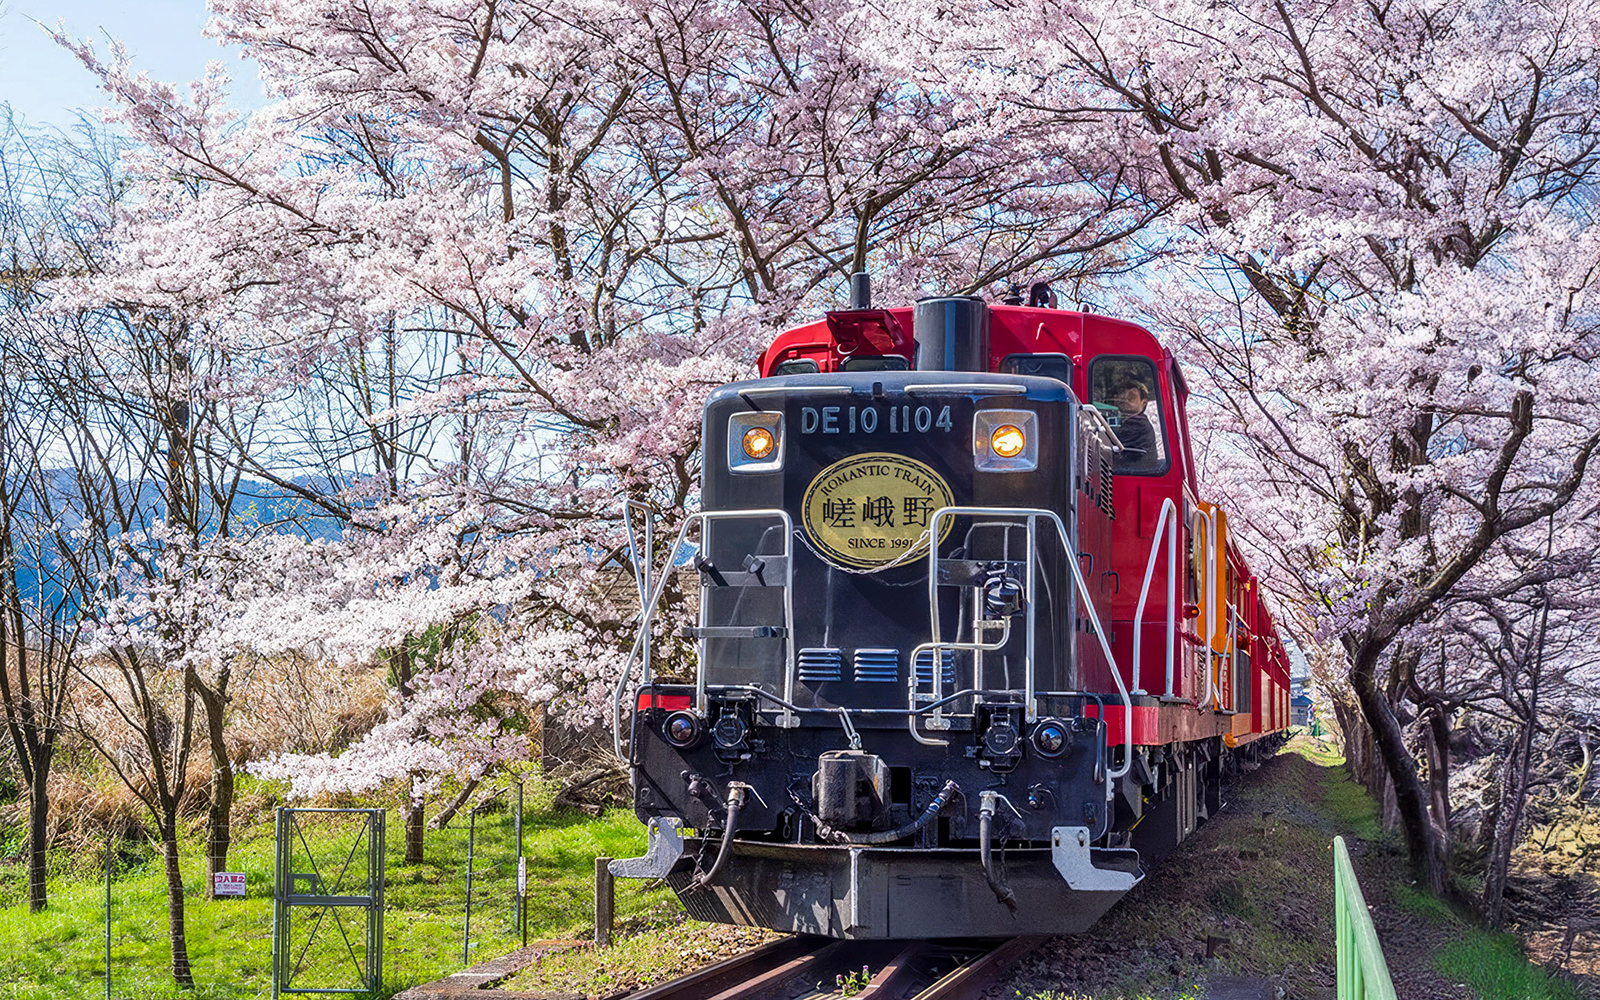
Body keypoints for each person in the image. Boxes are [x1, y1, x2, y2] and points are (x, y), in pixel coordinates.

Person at [1110, 378, 1157, 470]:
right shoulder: (1122, 420)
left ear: (1143, 403)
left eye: (1131, 398)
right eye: (1121, 397)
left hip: (1134, 472)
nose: (1125, 401)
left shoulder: (1140, 424)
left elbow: (1113, 438)